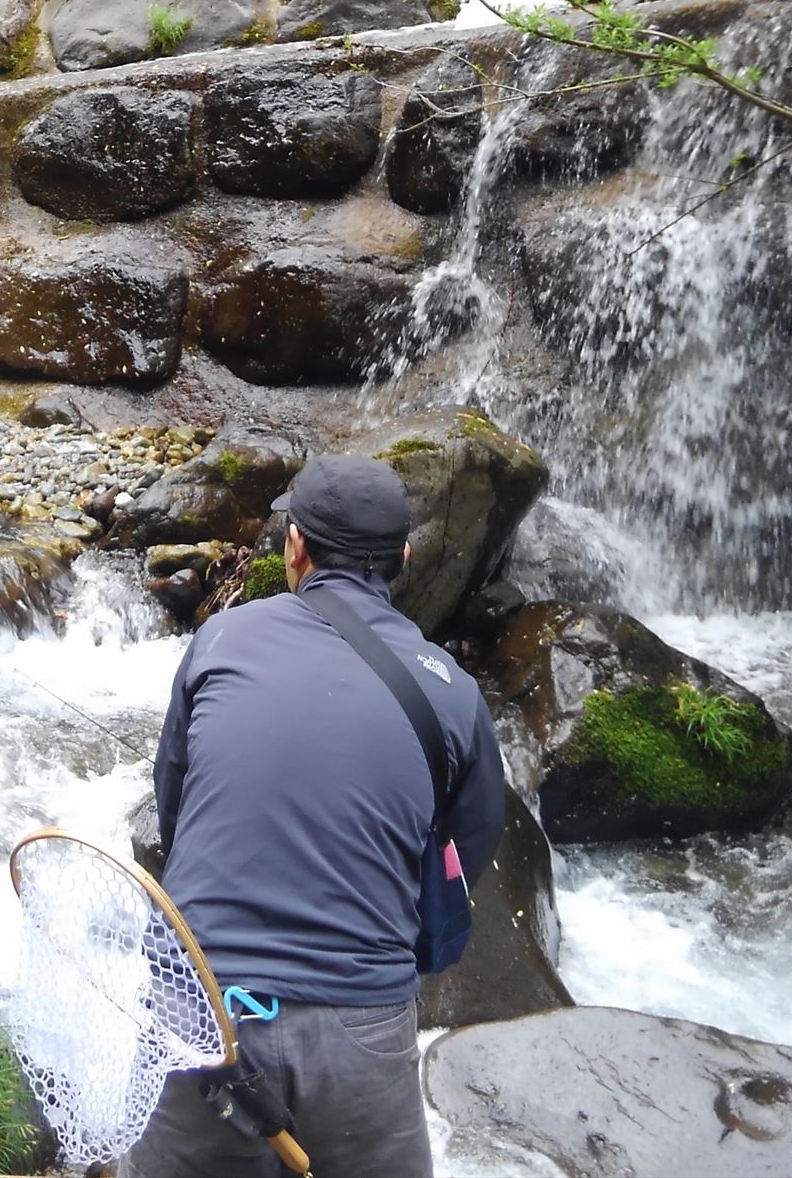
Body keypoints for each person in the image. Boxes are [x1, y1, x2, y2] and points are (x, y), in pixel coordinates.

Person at [126, 455, 508, 1178]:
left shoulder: (220, 641)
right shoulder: (453, 691)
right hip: (361, 1033)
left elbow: (173, 815)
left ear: (294, 547)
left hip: (204, 1019)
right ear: (401, 556)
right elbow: (464, 857)